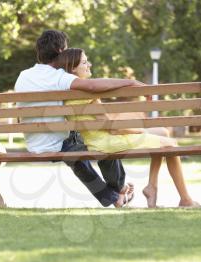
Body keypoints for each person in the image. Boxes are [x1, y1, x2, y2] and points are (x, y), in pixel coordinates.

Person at [54, 48, 200, 208]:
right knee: (170, 145)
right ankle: (185, 199)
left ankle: (151, 187)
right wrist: (139, 131)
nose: (89, 64)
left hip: (100, 139)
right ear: (73, 68)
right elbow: (113, 129)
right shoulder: (85, 95)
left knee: (162, 133)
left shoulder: (72, 93)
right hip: (105, 142)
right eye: (84, 62)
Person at [15, 29, 144, 207]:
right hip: (59, 143)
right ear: (61, 51)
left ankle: (112, 196)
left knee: (76, 153)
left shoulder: (24, 75)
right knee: (104, 141)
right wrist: (129, 82)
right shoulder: (59, 76)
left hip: (35, 143)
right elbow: (91, 85)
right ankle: (119, 189)